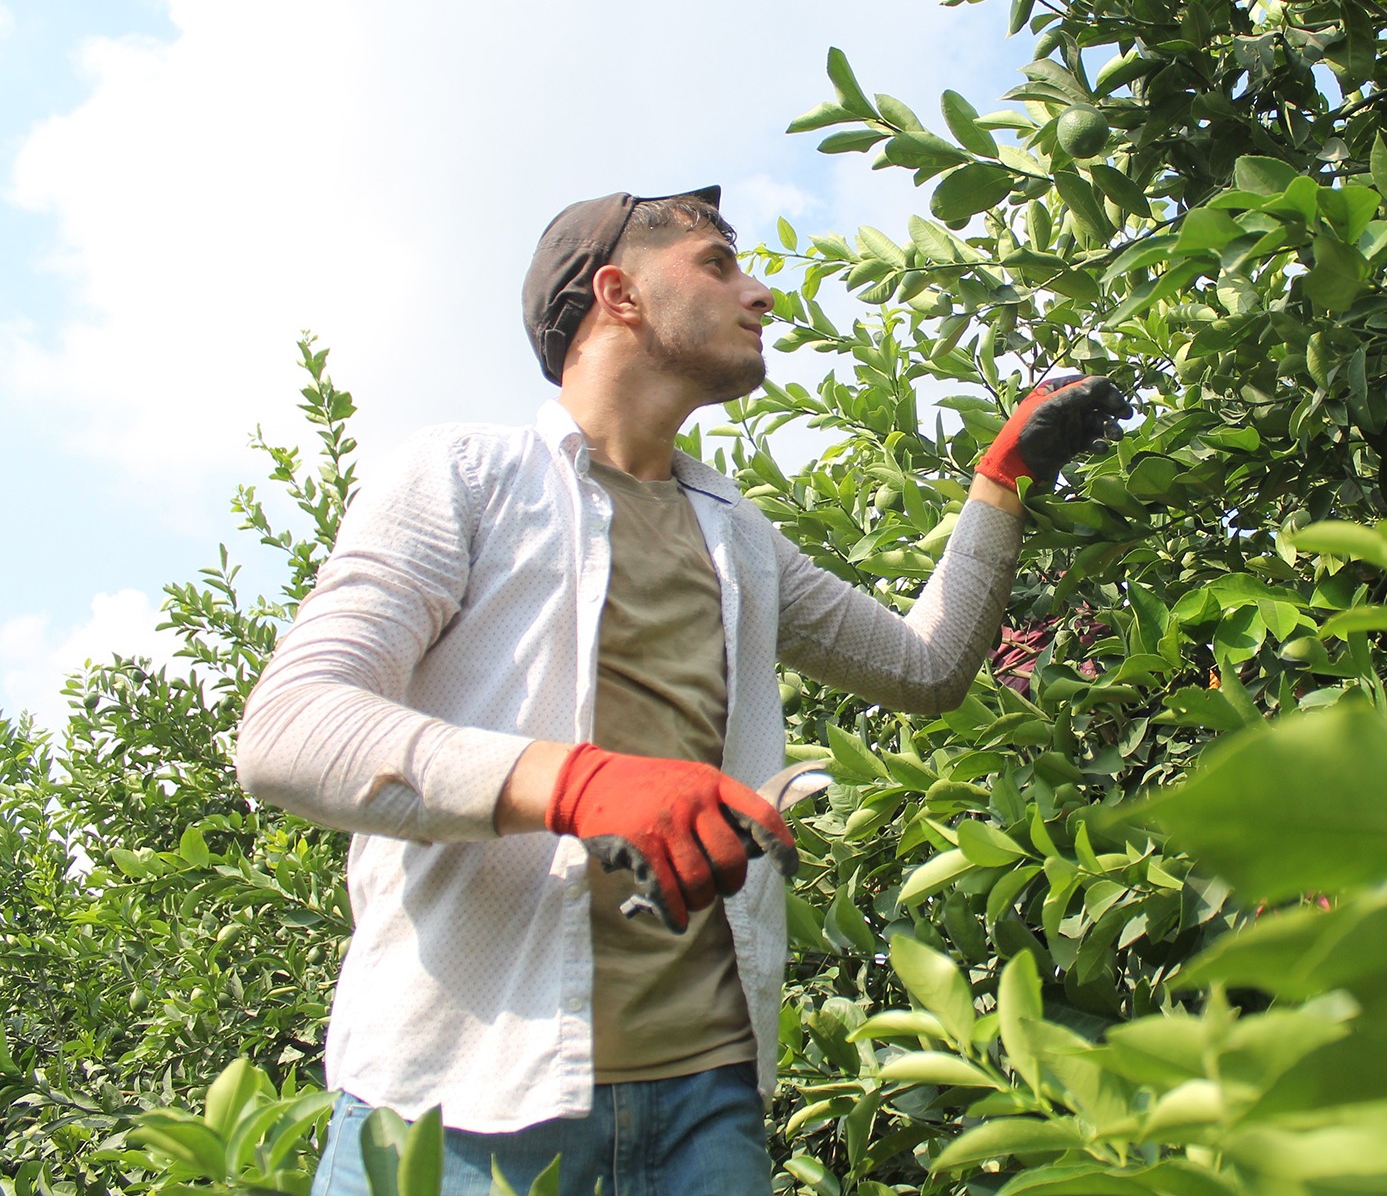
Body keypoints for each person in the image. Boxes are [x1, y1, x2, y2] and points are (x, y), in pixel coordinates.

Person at [233, 187, 1128, 1195]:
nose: (763, 294)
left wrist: (1001, 478)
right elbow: (289, 727)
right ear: (617, 292)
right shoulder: (467, 479)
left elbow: (924, 668)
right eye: (718, 262)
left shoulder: (738, 533)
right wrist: (578, 783)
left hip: (706, 1106)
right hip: (463, 1097)